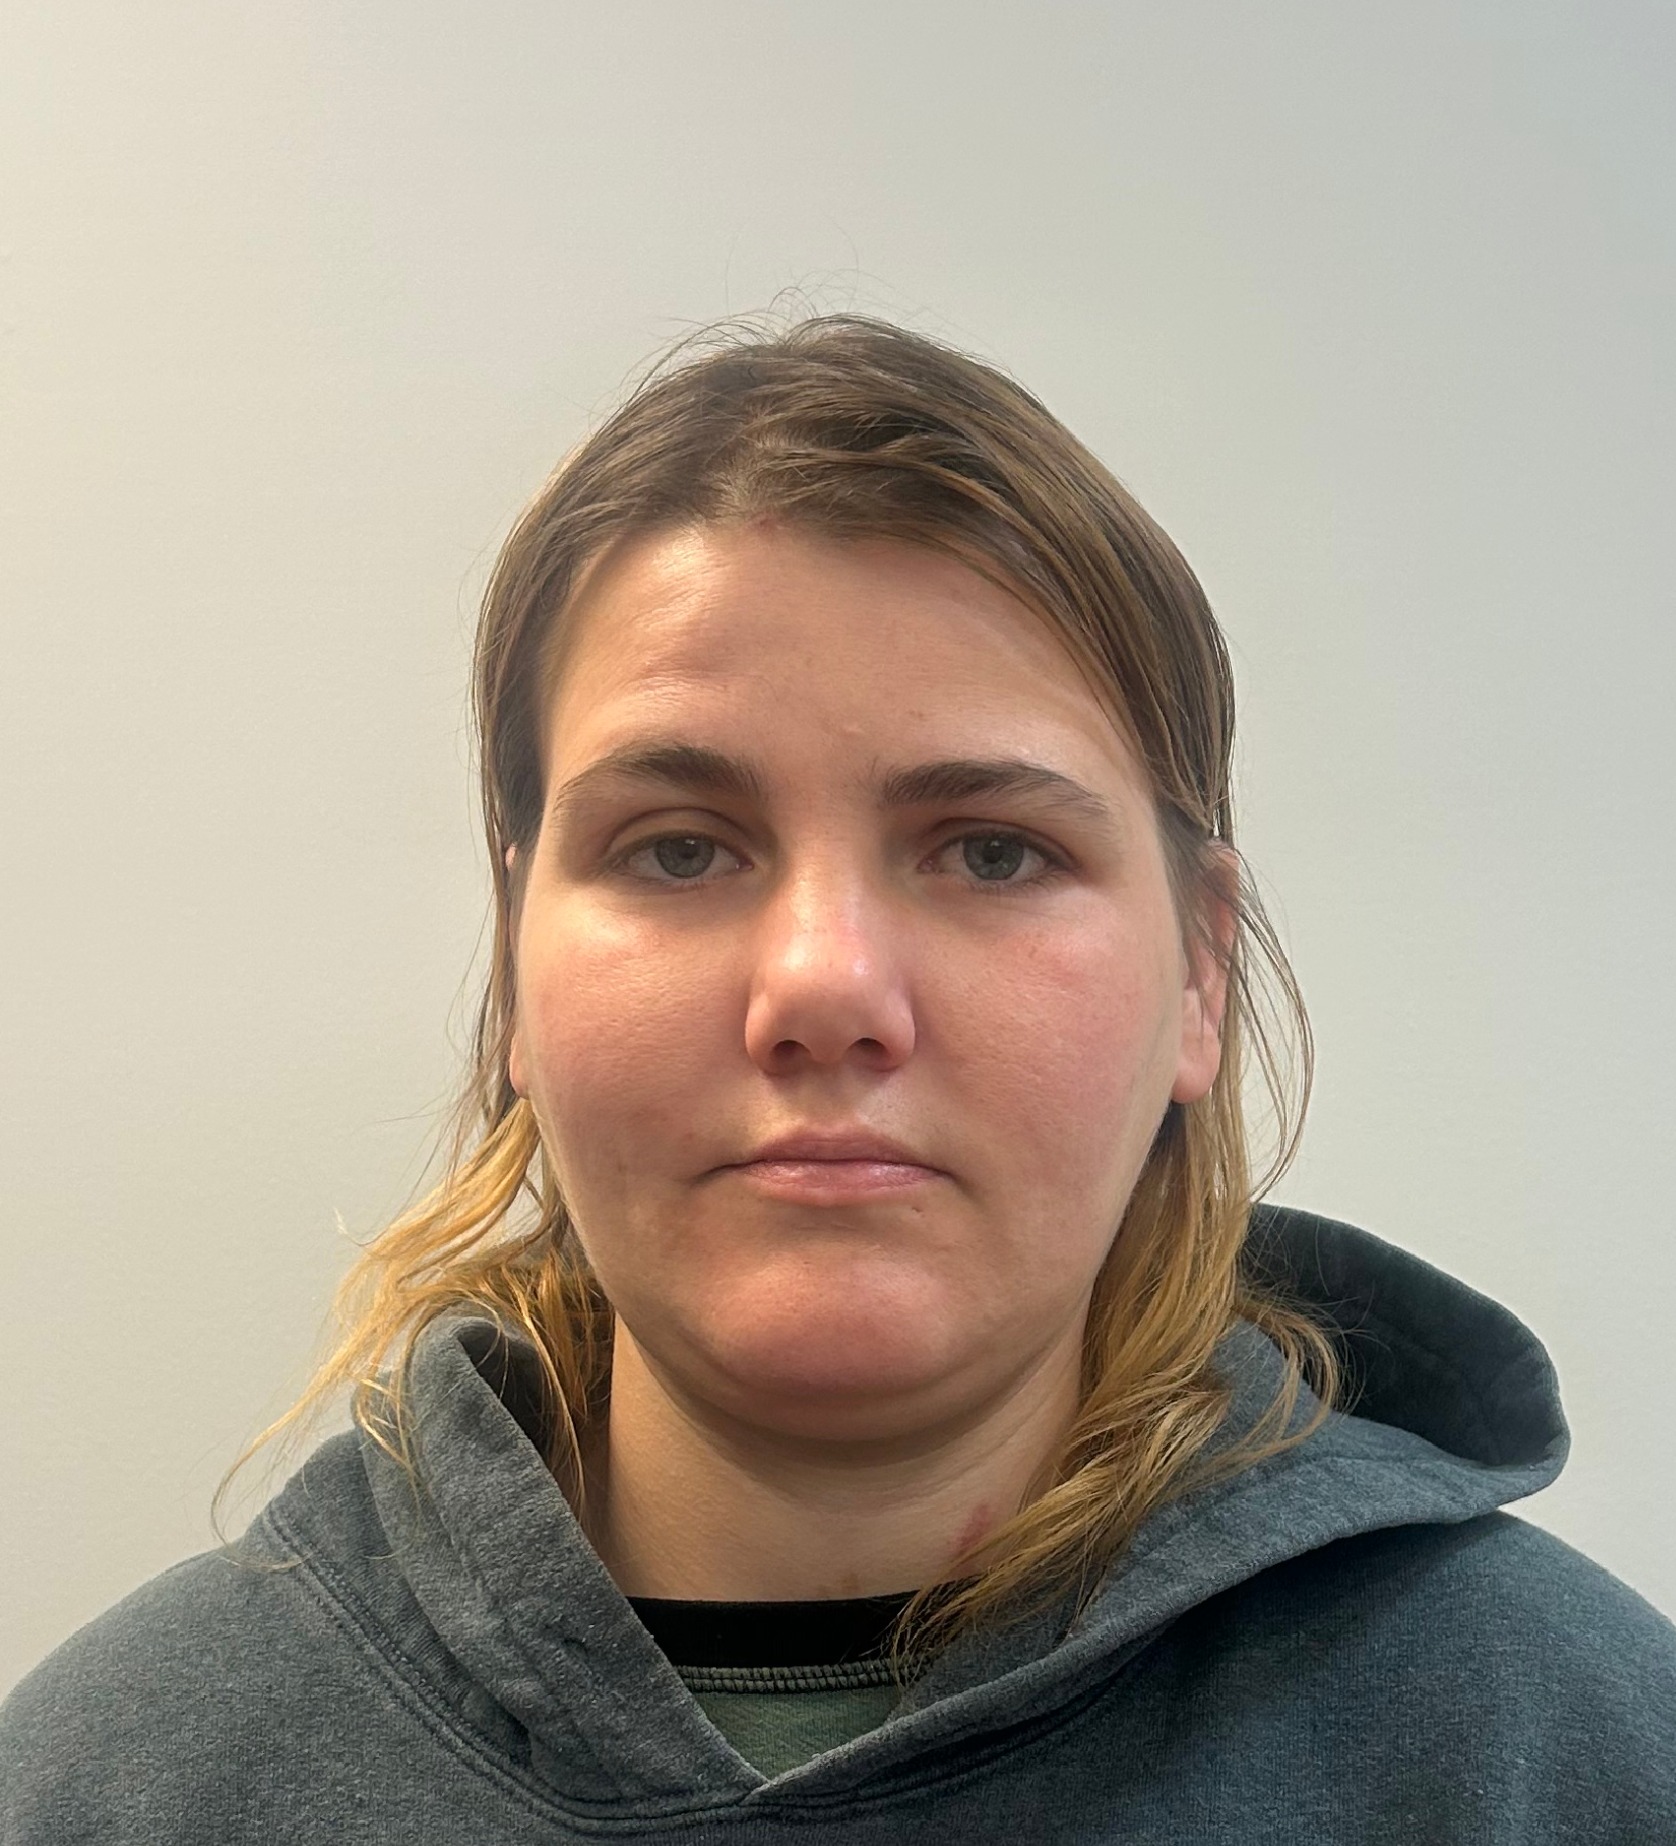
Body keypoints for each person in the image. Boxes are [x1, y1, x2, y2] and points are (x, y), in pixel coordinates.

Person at [3, 315, 1672, 1844]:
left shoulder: (1570, 1758)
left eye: (993, 850)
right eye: (678, 847)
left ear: (1199, 972)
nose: (823, 987)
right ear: (513, 961)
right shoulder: (111, 1789)